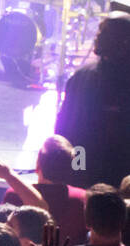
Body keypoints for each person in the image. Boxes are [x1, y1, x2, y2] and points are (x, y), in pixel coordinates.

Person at [55, 13, 130, 189]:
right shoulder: (82, 76)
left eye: (105, 32)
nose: (97, 36)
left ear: (124, 42)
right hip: (84, 167)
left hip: (120, 171)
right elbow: (68, 126)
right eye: (99, 30)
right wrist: (75, 168)